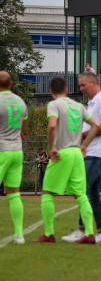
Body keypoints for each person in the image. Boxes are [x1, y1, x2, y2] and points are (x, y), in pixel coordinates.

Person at [38, 76, 98, 243]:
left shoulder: (54, 105)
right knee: (81, 195)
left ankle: (49, 233)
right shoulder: (78, 106)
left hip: (62, 152)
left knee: (48, 192)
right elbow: (95, 126)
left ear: (51, 91)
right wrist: (84, 145)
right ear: (66, 89)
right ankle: (89, 233)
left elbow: (51, 126)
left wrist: (51, 149)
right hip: (76, 154)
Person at [63, 72, 101, 244]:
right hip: (92, 152)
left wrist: (84, 136)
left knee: (81, 189)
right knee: (92, 194)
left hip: (97, 153)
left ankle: (82, 230)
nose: (81, 88)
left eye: (83, 85)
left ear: (93, 83)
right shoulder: (93, 103)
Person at [0, 71, 28, 244]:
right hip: (17, 150)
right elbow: (24, 129)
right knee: (14, 194)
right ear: (11, 84)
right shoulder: (20, 102)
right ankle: (19, 234)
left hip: (2, 150)